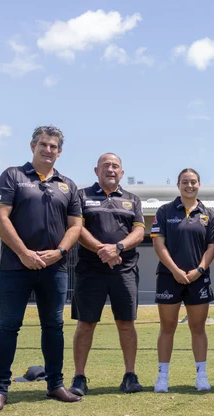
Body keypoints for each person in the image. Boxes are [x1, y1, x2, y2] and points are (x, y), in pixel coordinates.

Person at [0, 125, 83, 412]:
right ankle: (0, 389)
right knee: (8, 326)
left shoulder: (68, 184)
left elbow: (76, 225)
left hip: (55, 268)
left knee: (53, 326)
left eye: (54, 146)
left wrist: (60, 252)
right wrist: (24, 253)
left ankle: (55, 385)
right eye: (43, 144)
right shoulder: (12, 176)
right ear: (32, 146)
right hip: (16, 267)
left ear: (60, 151)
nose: (48, 150)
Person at [69, 153, 146, 396]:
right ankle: (79, 377)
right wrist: (103, 250)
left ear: (122, 172)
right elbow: (77, 228)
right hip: (91, 270)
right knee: (86, 323)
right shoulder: (82, 195)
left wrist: (118, 248)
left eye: (115, 166)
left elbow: (139, 232)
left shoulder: (132, 199)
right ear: (96, 170)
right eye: (106, 166)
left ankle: (130, 375)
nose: (110, 169)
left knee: (126, 323)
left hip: (124, 269)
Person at [150, 168, 214, 392]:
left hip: (198, 278)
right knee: (167, 327)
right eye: (185, 182)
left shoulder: (208, 213)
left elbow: (211, 247)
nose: (189, 186)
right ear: (178, 185)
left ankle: (201, 375)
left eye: (194, 182)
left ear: (199, 184)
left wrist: (199, 269)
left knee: (197, 328)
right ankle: (163, 377)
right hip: (170, 277)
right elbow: (159, 245)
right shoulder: (164, 210)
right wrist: (176, 270)